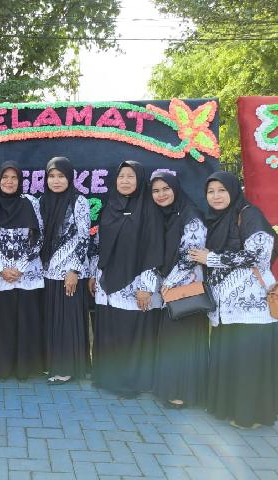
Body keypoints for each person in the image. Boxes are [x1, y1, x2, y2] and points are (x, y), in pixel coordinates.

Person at [189, 171, 278, 428]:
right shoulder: (215, 220)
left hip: (251, 306)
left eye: (222, 190)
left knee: (248, 361)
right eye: (211, 192)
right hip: (225, 308)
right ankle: (228, 408)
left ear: (233, 191)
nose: (216, 196)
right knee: (231, 358)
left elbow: (258, 255)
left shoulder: (249, 215)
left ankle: (250, 415)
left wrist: (212, 258)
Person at [89, 160, 164, 398]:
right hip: (107, 282)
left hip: (135, 283)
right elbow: (99, 243)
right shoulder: (110, 206)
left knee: (130, 331)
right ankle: (107, 378)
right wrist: (94, 272)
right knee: (109, 330)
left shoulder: (150, 209)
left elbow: (154, 248)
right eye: (121, 176)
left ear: (140, 180)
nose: (125, 181)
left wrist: (146, 287)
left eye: (131, 176)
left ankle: (130, 383)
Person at [0, 161, 44, 380]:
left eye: (14, 177)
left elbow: (38, 236)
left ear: (20, 181)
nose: (9, 182)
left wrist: (20, 267)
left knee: (26, 323)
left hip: (26, 275)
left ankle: (25, 369)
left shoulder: (31, 203)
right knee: (1, 324)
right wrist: (1, 269)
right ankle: (2, 368)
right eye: (5, 177)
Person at [150, 172, 208, 409]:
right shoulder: (167, 216)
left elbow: (191, 255)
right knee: (173, 339)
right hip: (171, 291)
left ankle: (182, 393)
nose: (161, 194)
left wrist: (167, 283)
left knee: (183, 338)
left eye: (166, 189)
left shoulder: (190, 216)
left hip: (185, 290)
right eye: (156, 191)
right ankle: (171, 388)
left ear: (175, 188)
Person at [40, 157, 90, 384]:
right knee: (52, 320)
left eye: (61, 176)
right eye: (52, 176)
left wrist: (74, 271)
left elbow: (83, 238)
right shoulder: (43, 201)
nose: (56, 181)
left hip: (70, 274)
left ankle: (67, 368)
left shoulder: (79, 202)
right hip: (48, 273)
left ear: (70, 178)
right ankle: (52, 364)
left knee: (67, 321)